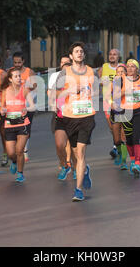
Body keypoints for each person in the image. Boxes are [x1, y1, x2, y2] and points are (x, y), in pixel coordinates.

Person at [56, 41, 96, 201]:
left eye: (81, 51)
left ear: (84, 55)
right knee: (73, 153)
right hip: (69, 117)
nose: (79, 53)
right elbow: (55, 95)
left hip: (86, 116)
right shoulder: (64, 73)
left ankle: (78, 189)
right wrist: (68, 90)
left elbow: (95, 92)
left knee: (80, 152)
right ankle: (84, 169)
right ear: (71, 56)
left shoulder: (91, 72)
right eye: (76, 51)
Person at [112, 59, 140, 178]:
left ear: (137, 69)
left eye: (133, 66)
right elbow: (116, 96)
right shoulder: (120, 80)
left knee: (137, 137)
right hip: (125, 111)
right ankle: (132, 159)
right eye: (128, 66)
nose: (130, 68)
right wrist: (125, 91)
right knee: (128, 138)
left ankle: (137, 164)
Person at [0, 68, 35, 182]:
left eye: (19, 76)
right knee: (11, 153)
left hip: (23, 123)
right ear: (10, 79)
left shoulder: (25, 90)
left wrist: (27, 108)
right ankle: (14, 162)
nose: (19, 78)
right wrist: (2, 110)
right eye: (16, 76)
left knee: (19, 150)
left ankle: (20, 173)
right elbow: (2, 107)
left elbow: (33, 106)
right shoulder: (5, 91)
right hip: (10, 124)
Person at [48, 55, 77, 180]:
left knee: (74, 145)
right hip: (60, 116)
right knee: (60, 144)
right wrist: (52, 104)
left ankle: (75, 168)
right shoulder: (57, 82)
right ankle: (64, 165)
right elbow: (51, 94)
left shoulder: (77, 83)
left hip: (75, 117)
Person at [12, 52, 37, 162]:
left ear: (23, 62)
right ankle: (18, 149)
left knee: (26, 126)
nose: (17, 64)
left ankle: (25, 149)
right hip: (14, 103)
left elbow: (35, 86)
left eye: (19, 62)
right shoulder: (11, 72)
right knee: (15, 126)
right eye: (15, 62)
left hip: (27, 102)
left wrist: (27, 89)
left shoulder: (29, 72)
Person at [97, 48, 120, 159]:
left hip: (120, 100)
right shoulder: (104, 67)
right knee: (111, 126)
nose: (112, 56)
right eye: (110, 54)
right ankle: (117, 142)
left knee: (119, 125)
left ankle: (117, 147)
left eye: (114, 54)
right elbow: (100, 80)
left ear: (118, 56)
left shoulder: (122, 67)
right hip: (107, 101)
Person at [109, 64, 129, 170]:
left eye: (122, 72)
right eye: (118, 72)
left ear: (126, 73)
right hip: (116, 112)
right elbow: (111, 96)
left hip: (126, 112)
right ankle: (120, 153)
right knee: (116, 140)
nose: (120, 74)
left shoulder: (129, 83)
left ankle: (124, 161)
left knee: (123, 137)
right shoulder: (114, 83)